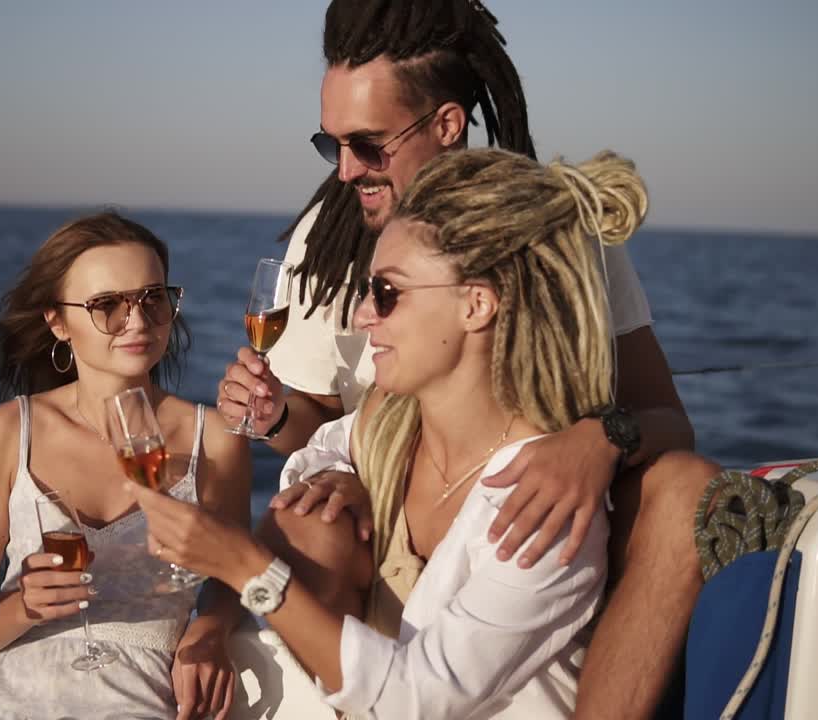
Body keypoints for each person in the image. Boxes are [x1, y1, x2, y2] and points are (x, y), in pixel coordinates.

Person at [215, 3, 717, 716]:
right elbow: (318, 422)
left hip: (529, 496)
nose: (346, 170)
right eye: (332, 146)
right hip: (389, 493)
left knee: (684, 488)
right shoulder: (322, 244)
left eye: (367, 143)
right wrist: (301, 439)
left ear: (446, 125)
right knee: (308, 518)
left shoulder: (556, 238)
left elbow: (667, 417)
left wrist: (595, 443)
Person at [133, 146, 672, 718]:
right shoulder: (393, 423)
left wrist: (245, 566)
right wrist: (341, 477)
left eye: (386, 293)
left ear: (477, 305)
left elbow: (420, 697)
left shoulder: (543, 503)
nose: (364, 315)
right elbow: (322, 449)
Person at [0, 212, 251, 720]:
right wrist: (23, 607)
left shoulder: (212, 439)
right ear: (57, 321)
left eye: (153, 299)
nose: (139, 322)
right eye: (107, 305)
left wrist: (211, 630)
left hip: (136, 699)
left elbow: (236, 580)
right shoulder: (12, 430)